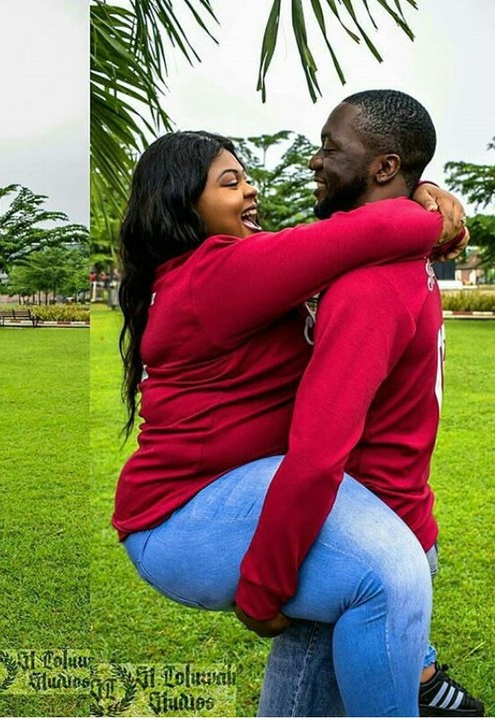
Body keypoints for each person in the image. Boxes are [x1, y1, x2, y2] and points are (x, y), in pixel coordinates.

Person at [113, 130, 465, 715]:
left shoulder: (245, 262)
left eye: (247, 177)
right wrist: (433, 215)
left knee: (334, 604)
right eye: (231, 183)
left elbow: (347, 242)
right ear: (182, 202)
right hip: (183, 512)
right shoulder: (214, 276)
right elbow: (368, 230)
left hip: (239, 486)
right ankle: (417, 674)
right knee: (386, 574)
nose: (251, 191)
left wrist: (421, 191)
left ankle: (417, 665)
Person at [251, 91, 483, 717]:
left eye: (331, 148)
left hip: (364, 546)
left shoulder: (368, 285)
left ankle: (423, 672)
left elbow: (320, 453)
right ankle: (424, 671)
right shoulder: (400, 253)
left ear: (383, 168)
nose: (314, 161)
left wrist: (263, 586)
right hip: (402, 520)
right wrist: (429, 197)